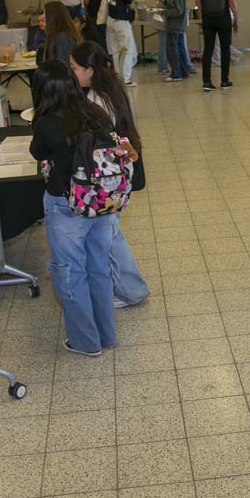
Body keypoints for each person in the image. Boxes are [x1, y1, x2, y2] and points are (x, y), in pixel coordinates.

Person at [29, 60, 117, 356]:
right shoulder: (94, 112)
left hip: (66, 206)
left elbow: (37, 153)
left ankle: (84, 342)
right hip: (101, 204)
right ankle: (106, 335)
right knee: (99, 269)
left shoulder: (46, 123)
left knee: (71, 273)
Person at [69, 41, 150, 309]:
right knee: (111, 233)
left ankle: (131, 290)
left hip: (108, 176)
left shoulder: (95, 100)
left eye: (74, 68)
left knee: (110, 235)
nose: (72, 73)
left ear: (89, 69)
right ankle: (127, 287)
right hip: (119, 169)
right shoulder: (110, 89)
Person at [194, 0, 239, 91]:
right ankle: (224, 81)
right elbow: (231, 0)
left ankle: (206, 83)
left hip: (208, 19)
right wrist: (236, 18)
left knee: (208, 49)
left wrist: (203, 13)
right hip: (223, 18)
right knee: (225, 49)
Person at [104, 0, 138, 87]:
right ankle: (126, 78)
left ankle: (118, 76)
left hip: (111, 21)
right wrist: (134, 2)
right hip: (121, 22)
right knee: (127, 50)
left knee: (115, 50)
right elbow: (130, 3)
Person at [161, 0, 190, 82]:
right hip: (180, 26)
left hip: (174, 26)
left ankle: (176, 74)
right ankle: (183, 71)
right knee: (181, 49)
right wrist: (166, 2)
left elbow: (178, 10)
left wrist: (165, 12)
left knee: (172, 50)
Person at [38, 1, 81, 69]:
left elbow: (64, 66)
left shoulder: (63, 38)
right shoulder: (58, 36)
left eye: (44, 13)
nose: (41, 17)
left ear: (53, 16)